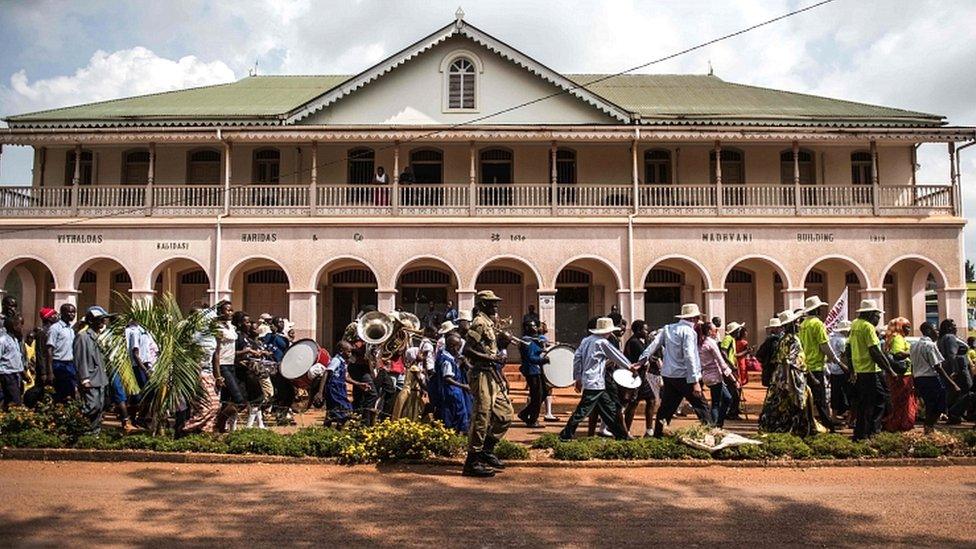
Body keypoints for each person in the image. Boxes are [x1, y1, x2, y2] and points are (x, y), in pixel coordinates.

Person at [462, 290, 515, 478]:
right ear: (483, 304)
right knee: (482, 418)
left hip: (491, 374)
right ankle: (472, 462)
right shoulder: (479, 323)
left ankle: (486, 450)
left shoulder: (489, 323)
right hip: (482, 375)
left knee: (505, 414)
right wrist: (490, 358)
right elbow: (467, 350)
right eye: (492, 303)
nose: (496, 306)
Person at [558, 317, 634, 440]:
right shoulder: (602, 342)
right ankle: (565, 435)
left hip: (592, 381)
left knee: (609, 409)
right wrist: (630, 367)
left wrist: (578, 377)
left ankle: (621, 435)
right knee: (583, 411)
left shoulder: (586, 340)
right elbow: (616, 356)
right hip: (595, 382)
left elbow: (577, 358)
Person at [641, 303, 710, 437]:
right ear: (694, 318)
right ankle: (711, 433)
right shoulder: (689, 332)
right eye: (697, 319)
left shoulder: (668, 328)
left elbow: (653, 345)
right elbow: (689, 356)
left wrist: (641, 360)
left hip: (669, 375)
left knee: (666, 408)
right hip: (685, 376)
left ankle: (658, 435)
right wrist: (695, 381)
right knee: (702, 406)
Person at [758, 310, 822, 437]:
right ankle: (796, 430)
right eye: (796, 322)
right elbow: (788, 361)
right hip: (791, 376)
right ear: (791, 324)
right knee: (795, 402)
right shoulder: (792, 339)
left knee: (782, 403)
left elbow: (800, 361)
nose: (798, 324)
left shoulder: (784, 339)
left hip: (781, 376)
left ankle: (781, 428)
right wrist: (788, 381)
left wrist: (811, 377)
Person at [847, 300, 894, 440]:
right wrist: (889, 369)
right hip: (870, 370)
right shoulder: (868, 327)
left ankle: (863, 432)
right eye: (877, 316)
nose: (878, 319)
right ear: (870, 314)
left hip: (860, 370)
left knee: (866, 403)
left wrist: (851, 369)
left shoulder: (855, 324)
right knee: (879, 400)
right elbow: (875, 351)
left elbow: (848, 348)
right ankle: (871, 431)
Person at [798, 296, 843, 432]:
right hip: (816, 366)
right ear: (817, 309)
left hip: (805, 366)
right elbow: (824, 345)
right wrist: (837, 361)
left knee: (807, 399)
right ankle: (828, 426)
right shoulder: (817, 324)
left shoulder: (803, 325)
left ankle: (807, 424)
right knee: (820, 400)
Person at [74, 306, 114, 434]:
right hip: (90, 379)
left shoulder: (98, 336)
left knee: (100, 407)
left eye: (103, 319)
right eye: (100, 319)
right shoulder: (83, 337)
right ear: (91, 321)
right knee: (91, 406)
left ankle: (94, 433)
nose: (103, 322)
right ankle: (79, 429)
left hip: (100, 378)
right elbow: (80, 359)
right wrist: (84, 379)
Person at [911, 322, 956, 433]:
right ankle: (929, 426)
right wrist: (952, 383)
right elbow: (937, 366)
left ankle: (929, 428)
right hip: (930, 378)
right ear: (928, 331)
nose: (937, 332)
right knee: (939, 404)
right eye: (935, 329)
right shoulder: (930, 345)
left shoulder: (914, 345)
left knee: (929, 404)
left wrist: (914, 382)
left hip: (918, 378)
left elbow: (913, 365)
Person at [184, 307, 220, 434]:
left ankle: (204, 432)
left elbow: (215, 356)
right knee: (210, 406)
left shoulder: (211, 336)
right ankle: (187, 428)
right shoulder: (191, 335)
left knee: (211, 406)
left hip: (208, 373)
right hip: (196, 373)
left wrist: (217, 376)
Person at [623, 320, 658, 436]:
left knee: (651, 400)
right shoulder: (634, 342)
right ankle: (626, 431)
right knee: (634, 403)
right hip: (636, 377)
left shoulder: (639, 341)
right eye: (645, 330)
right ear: (638, 330)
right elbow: (646, 357)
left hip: (642, 377)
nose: (647, 332)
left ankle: (649, 430)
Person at [214, 301, 245, 432]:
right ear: (221, 312)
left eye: (232, 310)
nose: (230, 313)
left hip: (231, 365)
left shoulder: (231, 327)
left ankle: (220, 429)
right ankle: (219, 421)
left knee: (226, 400)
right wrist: (218, 375)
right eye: (227, 310)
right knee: (239, 400)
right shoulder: (217, 328)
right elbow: (216, 352)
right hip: (222, 365)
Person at [698, 321, 735, 428]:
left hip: (707, 375)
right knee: (716, 402)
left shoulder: (700, 343)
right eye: (715, 330)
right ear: (709, 331)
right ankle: (716, 425)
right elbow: (721, 362)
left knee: (726, 398)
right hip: (714, 376)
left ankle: (718, 423)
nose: (717, 332)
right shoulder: (710, 343)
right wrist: (733, 379)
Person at [883, 317, 917, 432]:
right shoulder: (898, 338)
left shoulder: (895, 338)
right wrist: (912, 352)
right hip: (902, 376)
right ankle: (901, 424)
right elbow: (898, 354)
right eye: (906, 327)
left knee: (899, 401)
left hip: (899, 375)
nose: (909, 330)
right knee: (902, 401)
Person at [937, 319, 974, 424]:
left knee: (954, 393)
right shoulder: (950, 337)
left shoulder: (942, 339)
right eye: (954, 325)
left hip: (948, 367)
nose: (956, 327)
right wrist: (955, 370)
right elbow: (952, 354)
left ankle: (955, 414)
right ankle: (956, 413)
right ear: (948, 327)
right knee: (968, 391)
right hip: (959, 368)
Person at [436, 334, 471, 432]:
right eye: (458, 347)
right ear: (452, 346)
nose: (459, 350)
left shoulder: (447, 356)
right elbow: (447, 378)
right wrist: (463, 386)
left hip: (453, 390)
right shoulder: (446, 360)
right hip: (451, 391)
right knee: (456, 414)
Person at [314, 341, 354, 428]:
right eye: (348, 351)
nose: (350, 354)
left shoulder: (343, 362)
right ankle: (337, 428)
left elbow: (345, 378)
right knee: (345, 409)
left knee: (332, 411)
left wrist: (359, 384)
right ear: (341, 351)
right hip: (334, 388)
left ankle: (328, 428)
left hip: (340, 388)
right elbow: (326, 373)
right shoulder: (336, 360)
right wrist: (320, 392)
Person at [517, 320, 548, 427]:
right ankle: (532, 419)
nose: (535, 328)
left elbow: (536, 351)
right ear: (526, 328)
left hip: (538, 370)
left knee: (544, 393)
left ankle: (525, 413)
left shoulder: (534, 339)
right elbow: (530, 357)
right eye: (532, 326)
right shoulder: (526, 341)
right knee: (537, 396)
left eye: (535, 326)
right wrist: (543, 360)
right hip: (532, 371)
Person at [46, 303, 77, 403]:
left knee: (70, 392)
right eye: (70, 312)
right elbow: (49, 349)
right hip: (59, 364)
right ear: (62, 313)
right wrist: (50, 371)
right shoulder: (55, 328)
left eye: (74, 312)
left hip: (70, 364)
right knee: (61, 393)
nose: (72, 314)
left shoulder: (70, 329)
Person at [826, 320, 852, 420]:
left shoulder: (832, 338)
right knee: (848, 392)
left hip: (833, 369)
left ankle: (834, 415)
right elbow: (845, 355)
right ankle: (849, 417)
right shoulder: (842, 340)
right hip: (842, 369)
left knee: (835, 393)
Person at [392, 347, 427, 421]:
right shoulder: (414, 368)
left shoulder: (413, 366)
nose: (423, 356)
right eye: (420, 354)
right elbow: (420, 382)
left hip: (411, 392)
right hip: (409, 393)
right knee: (408, 414)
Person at [0, 314, 26, 410]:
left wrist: (22, 372)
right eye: (20, 324)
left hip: (15, 374)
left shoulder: (15, 340)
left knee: (8, 400)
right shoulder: (3, 340)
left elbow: (17, 358)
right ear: (13, 326)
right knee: (16, 401)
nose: (22, 327)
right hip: (7, 374)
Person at [756, 317, 783, 388]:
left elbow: (759, 355)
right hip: (777, 369)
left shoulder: (769, 340)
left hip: (771, 369)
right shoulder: (776, 340)